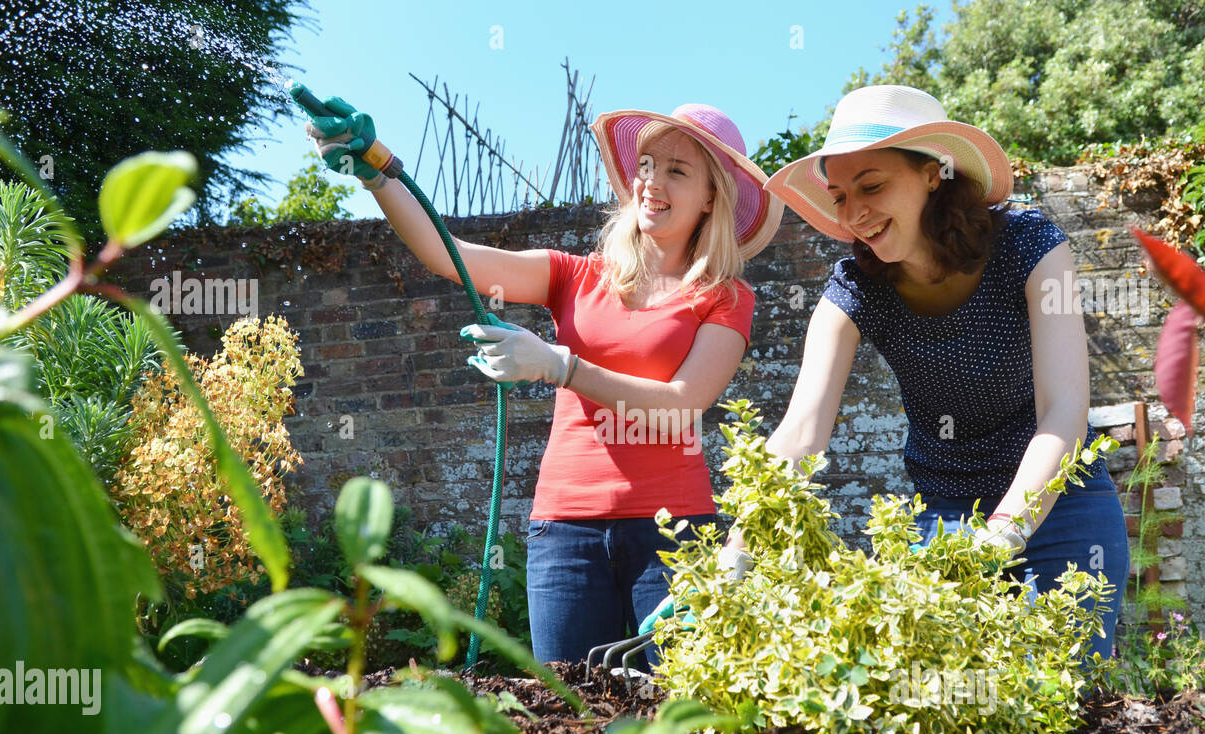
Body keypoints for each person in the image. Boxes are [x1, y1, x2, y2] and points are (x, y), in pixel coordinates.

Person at [306, 98, 783, 666]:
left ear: (712, 197)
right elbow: (446, 254)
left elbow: (682, 407)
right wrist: (378, 176)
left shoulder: (725, 298)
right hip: (565, 534)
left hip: (675, 537)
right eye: (648, 165)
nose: (653, 181)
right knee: (570, 718)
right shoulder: (576, 276)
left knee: (678, 718)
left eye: (677, 171)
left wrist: (563, 367)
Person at [738, 84, 1129, 659]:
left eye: (872, 185)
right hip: (944, 518)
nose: (855, 214)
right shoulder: (854, 290)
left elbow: (1065, 410)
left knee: (1067, 707)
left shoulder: (1031, 245)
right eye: (841, 195)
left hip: (1063, 508)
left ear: (932, 173)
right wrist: (736, 553)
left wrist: (1007, 530)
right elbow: (800, 432)